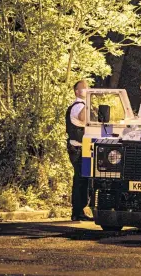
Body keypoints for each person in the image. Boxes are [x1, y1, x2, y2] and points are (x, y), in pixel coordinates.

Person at [66, 80, 92, 221]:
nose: (87, 89)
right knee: (81, 179)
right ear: (77, 92)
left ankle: (79, 210)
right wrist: (89, 103)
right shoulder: (78, 106)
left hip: (80, 148)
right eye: (84, 88)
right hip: (77, 149)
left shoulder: (81, 105)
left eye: (88, 87)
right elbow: (83, 117)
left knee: (82, 179)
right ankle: (77, 211)